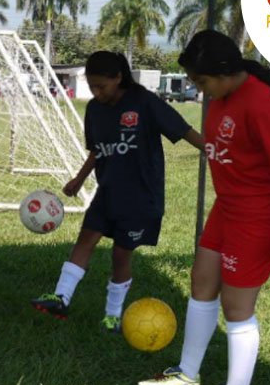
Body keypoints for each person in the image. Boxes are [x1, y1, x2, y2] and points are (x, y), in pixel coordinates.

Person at [137, 30, 270, 385]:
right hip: (227, 207)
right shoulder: (220, 98)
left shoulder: (259, 103)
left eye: (201, 82)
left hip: (258, 213)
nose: (200, 90)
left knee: (236, 305)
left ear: (224, 71)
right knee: (201, 280)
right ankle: (187, 374)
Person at [30, 51, 205, 332]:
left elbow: (183, 130)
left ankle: (112, 315)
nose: (97, 92)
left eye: (102, 86)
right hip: (108, 190)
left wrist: (215, 151)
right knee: (85, 239)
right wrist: (79, 178)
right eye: (92, 86)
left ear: (118, 78)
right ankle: (60, 297)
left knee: (121, 255)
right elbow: (98, 150)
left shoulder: (144, 102)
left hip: (140, 196)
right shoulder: (95, 110)